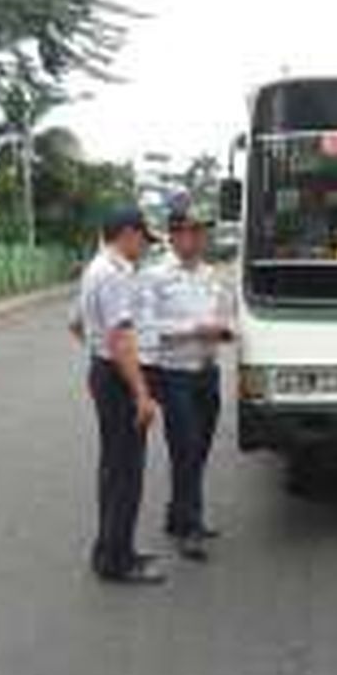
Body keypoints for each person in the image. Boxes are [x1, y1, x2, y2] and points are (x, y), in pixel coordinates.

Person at [69, 206, 165, 584]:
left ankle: (113, 547)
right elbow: (121, 337)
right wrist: (140, 392)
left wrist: (98, 359)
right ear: (127, 233)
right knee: (125, 471)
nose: (144, 247)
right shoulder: (112, 274)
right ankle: (116, 561)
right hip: (121, 378)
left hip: (109, 373)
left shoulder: (97, 268)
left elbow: (75, 323)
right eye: (144, 239)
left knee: (115, 469)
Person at [139, 203, 234, 562]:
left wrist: (224, 331)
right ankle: (189, 527)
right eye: (191, 231)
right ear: (174, 236)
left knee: (201, 448)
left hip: (207, 371)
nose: (198, 238)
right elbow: (147, 329)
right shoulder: (155, 276)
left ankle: (179, 516)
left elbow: (225, 315)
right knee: (186, 447)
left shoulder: (211, 274)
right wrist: (194, 329)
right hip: (174, 374)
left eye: (202, 232)